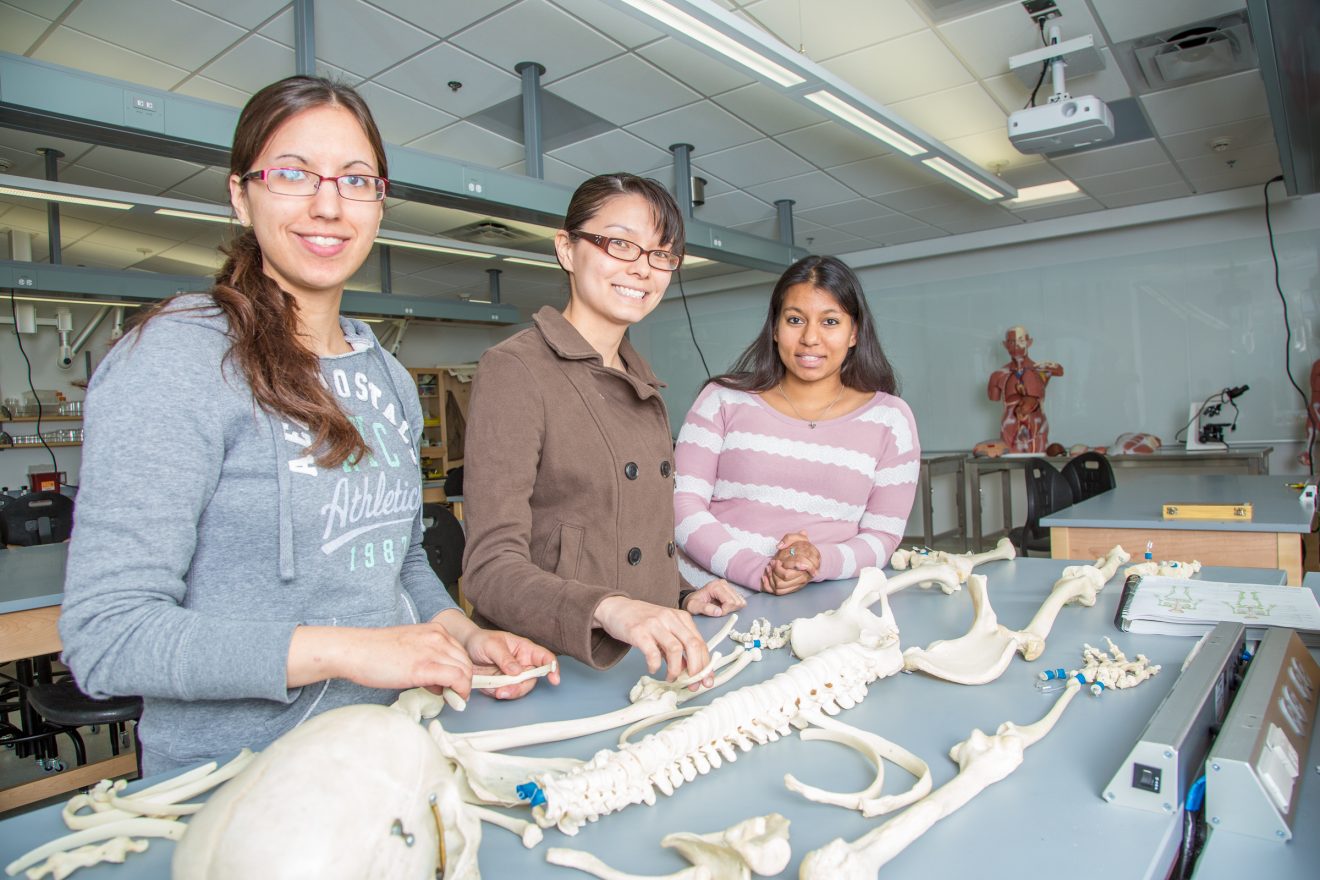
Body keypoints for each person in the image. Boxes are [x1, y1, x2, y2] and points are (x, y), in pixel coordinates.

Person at [60, 76, 556, 775]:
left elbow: (401, 559)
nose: (328, 204)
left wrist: (459, 634)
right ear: (241, 193)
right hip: (236, 781)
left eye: (356, 180)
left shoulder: (385, 374)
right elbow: (108, 636)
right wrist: (354, 649)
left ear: (379, 204)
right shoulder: (178, 358)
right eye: (293, 174)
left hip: (386, 754)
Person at [462, 173, 744, 682]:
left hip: (649, 654)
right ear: (567, 250)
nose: (642, 269)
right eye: (620, 244)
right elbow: (489, 569)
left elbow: (622, 535)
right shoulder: (515, 369)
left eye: (661, 254)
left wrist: (681, 592)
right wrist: (610, 609)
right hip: (553, 664)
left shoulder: (641, 382)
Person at [673, 255, 920, 595]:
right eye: (795, 320)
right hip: (710, 600)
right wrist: (760, 571)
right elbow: (681, 508)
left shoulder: (891, 420)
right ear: (775, 328)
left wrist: (817, 562)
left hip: (825, 608)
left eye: (830, 322)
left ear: (854, 333)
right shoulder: (722, 400)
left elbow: (882, 537)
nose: (810, 339)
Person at [987, 325, 1063, 454]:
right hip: (1009, 432)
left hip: (1037, 432)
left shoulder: (1041, 370)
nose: (1016, 345)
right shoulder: (999, 375)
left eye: (1021, 341)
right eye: (1011, 342)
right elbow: (993, 398)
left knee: (1037, 466)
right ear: (1005, 345)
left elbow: (1060, 371)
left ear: (1029, 342)